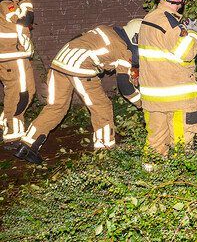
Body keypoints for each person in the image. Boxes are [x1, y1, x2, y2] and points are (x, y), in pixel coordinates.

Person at [14, 19, 143, 164]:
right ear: (136, 38)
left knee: (56, 107)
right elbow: (125, 86)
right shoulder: (123, 50)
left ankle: (27, 146)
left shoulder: (105, 29)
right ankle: (105, 152)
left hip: (59, 62)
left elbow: (77, 38)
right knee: (102, 107)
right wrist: (142, 103)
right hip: (80, 68)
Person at [138, 0, 197, 170]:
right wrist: (193, 33)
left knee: (156, 142)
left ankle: (151, 183)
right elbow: (187, 51)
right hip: (177, 99)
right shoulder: (169, 21)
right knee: (182, 142)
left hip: (153, 98)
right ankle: (185, 181)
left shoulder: (148, 19)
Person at [0, 0, 37, 148]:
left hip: (19, 54)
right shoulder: (6, 0)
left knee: (28, 92)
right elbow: (25, 20)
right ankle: (12, 135)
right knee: (18, 95)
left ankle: (6, 121)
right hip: (10, 56)